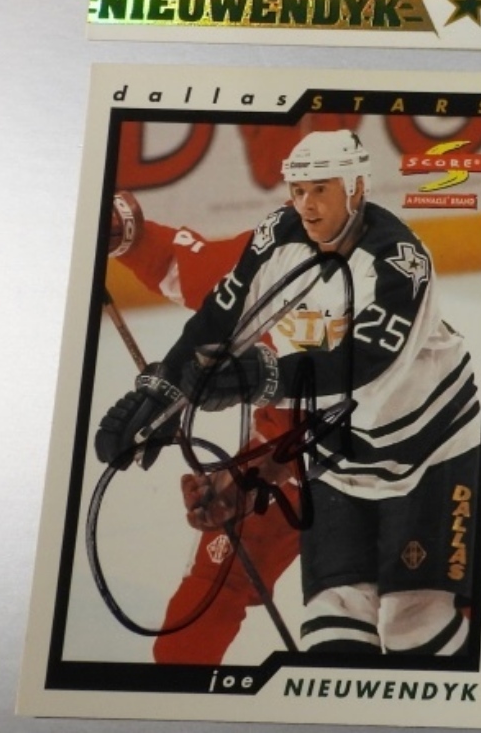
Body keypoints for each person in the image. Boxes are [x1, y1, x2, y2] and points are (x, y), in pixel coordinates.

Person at [96, 130, 481, 656]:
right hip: (307, 453)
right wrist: (166, 393)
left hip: (412, 439)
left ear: (356, 187)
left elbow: (366, 368)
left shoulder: (391, 264)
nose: (307, 206)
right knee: (217, 594)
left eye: (321, 189)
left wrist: (263, 417)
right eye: (298, 191)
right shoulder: (270, 251)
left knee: (421, 617)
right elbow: (188, 280)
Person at [105, 188, 300, 664]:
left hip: (396, 461)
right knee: (214, 587)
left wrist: (256, 474)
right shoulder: (255, 263)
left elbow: (371, 424)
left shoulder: (382, 294)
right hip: (286, 449)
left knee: (421, 603)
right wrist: (124, 236)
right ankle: (175, 695)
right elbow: (176, 261)